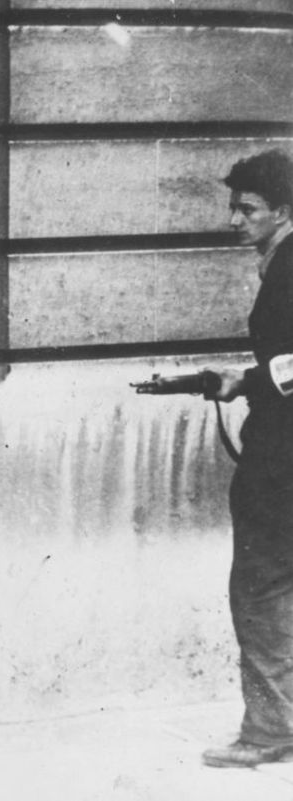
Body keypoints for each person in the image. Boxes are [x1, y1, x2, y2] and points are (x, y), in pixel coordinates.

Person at [204, 149, 293, 768]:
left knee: (259, 590)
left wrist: (244, 381)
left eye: (249, 208)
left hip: (281, 460)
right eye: (234, 206)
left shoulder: (288, 269)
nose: (235, 219)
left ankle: (268, 732)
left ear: (284, 211)